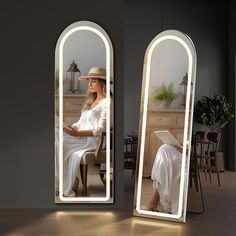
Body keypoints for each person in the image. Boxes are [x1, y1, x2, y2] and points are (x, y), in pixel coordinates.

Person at [55, 67, 111, 197]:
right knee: (56, 133)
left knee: (59, 141)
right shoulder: (90, 102)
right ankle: (67, 180)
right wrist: (71, 128)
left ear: (102, 83)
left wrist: (77, 134)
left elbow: (100, 129)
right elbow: (80, 123)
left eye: (93, 81)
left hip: (93, 140)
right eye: (89, 81)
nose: (90, 84)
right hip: (80, 135)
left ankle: (65, 182)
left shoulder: (107, 102)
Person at [142, 143, 183, 214]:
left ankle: (154, 201)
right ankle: (155, 201)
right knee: (164, 148)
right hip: (181, 150)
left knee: (165, 152)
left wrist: (183, 149)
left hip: (185, 154)